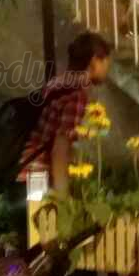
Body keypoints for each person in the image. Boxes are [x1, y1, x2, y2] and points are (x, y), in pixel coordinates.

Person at [19, 32, 111, 197]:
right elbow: (60, 149)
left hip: (26, 167)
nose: (107, 69)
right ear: (94, 61)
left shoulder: (58, 82)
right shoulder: (76, 95)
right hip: (38, 173)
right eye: (105, 62)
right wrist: (63, 197)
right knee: (44, 213)